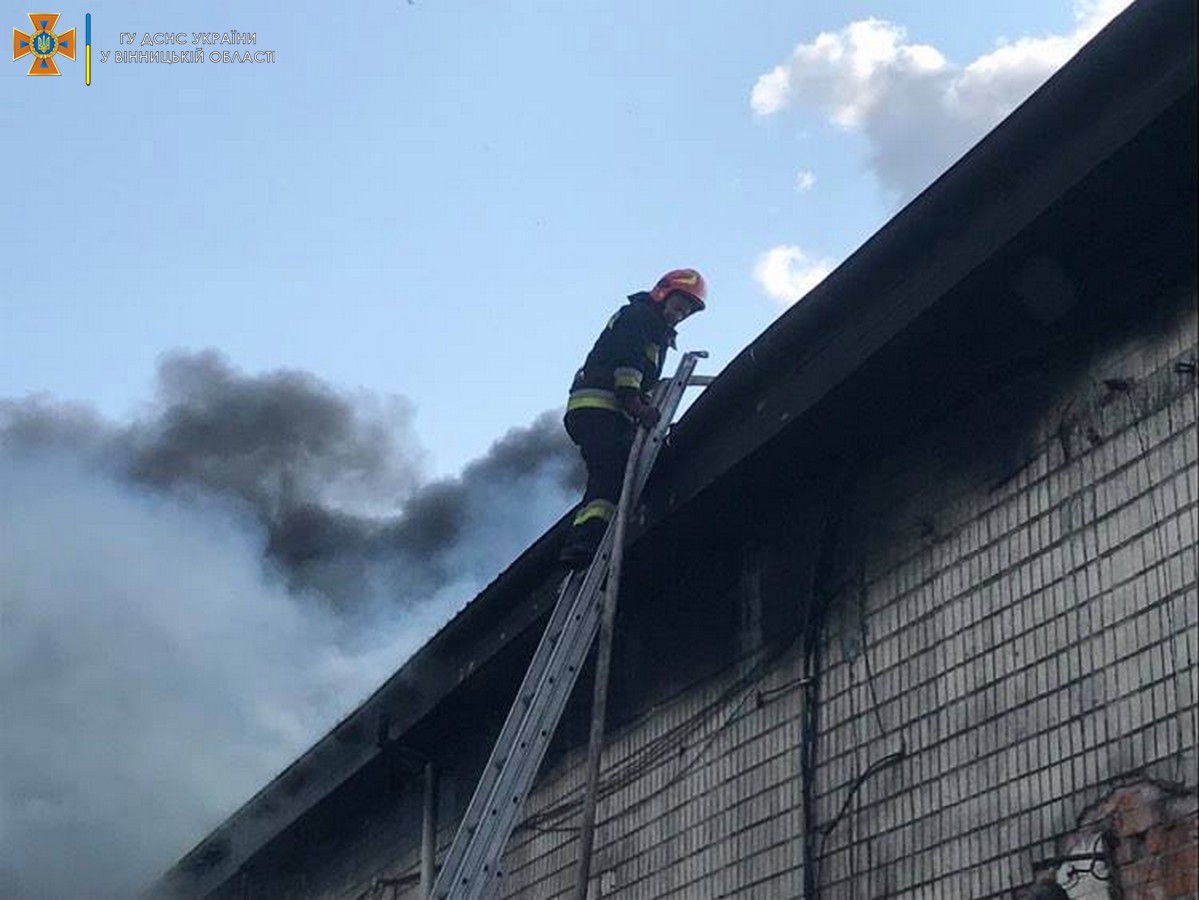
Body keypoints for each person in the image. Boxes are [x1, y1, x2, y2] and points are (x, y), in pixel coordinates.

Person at [559, 268, 707, 568]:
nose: (682, 314)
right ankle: (586, 541)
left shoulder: (655, 330)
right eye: (680, 305)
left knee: (611, 469)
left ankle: (584, 536)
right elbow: (628, 363)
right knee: (610, 469)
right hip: (600, 406)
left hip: (606, 410)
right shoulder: (641, 318)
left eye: (688, 311)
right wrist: (636, 404)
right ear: (663, 292)